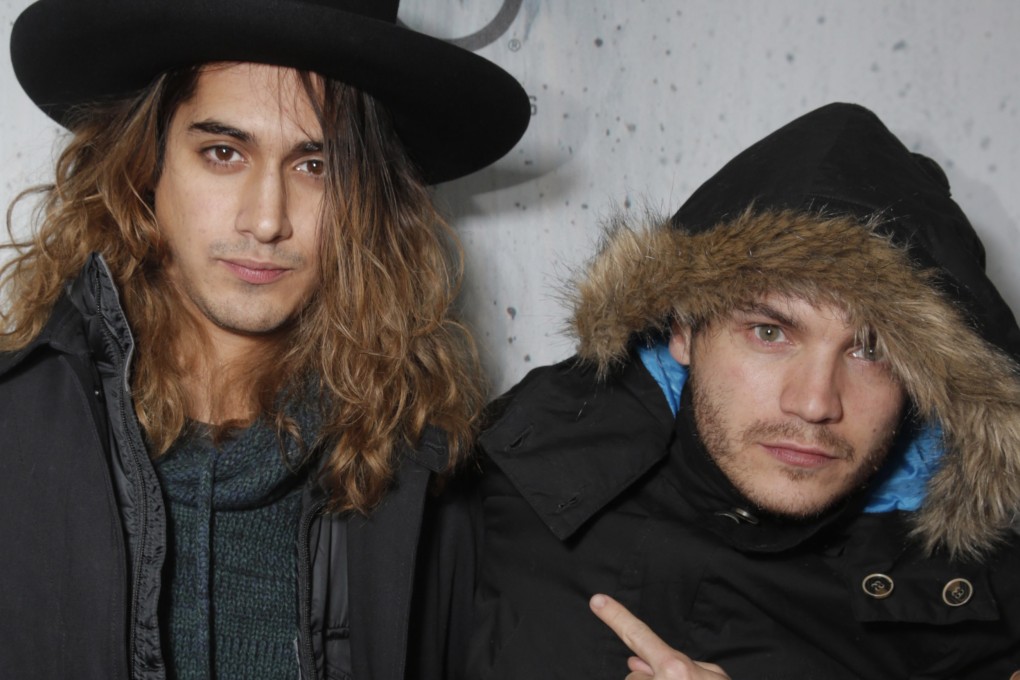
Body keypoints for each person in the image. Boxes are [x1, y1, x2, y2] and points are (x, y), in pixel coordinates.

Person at [0, 1, 528, 678]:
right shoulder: (16, 434)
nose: (267, 219)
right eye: (223, 153)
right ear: (143, 167)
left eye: (316, 167)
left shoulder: (431, 488)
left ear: (368, 203)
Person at [467, 103, 1020, 679]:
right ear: (684, 328)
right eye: (770, 332)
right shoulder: (509, 472)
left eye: (870, 351)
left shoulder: (984, 600)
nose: (814, 403)